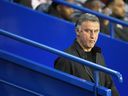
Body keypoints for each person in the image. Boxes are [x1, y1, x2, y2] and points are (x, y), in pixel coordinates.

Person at [54, 13, 119, 96]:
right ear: (77, 31)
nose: (93, 36)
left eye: (96, 31)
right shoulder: (66, 58)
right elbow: (60, 91)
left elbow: (109, 85)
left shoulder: (98, 55)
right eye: (88, 31)